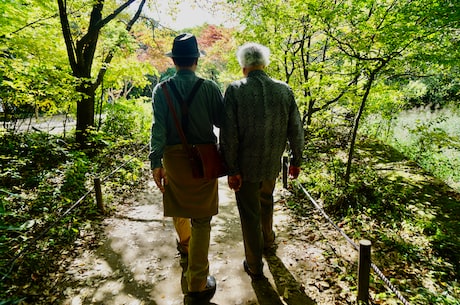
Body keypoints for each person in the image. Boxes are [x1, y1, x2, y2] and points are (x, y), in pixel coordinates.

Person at [149, 33, 223, 302]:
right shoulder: (210, 87)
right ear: (195, 60)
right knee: (202, 219)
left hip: (173, 158)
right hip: (203, 159)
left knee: (179, 205)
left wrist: (155, 161)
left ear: (175, 60)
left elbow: (158, 128)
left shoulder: (161, 90)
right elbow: (221, 121)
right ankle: (197, 282)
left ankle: (184, 246)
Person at [220, 42, 304, 279]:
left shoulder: (236, 90)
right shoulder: (284, 90)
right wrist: (297, 159)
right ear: (264, 63)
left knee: (249, 214)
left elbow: (228, 134)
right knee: (266, 201)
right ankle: (268, 241)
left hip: (245, 168)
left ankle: (255, 265)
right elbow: (296, 129)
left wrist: (231, 168)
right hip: (271, 165)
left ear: (243, 65)